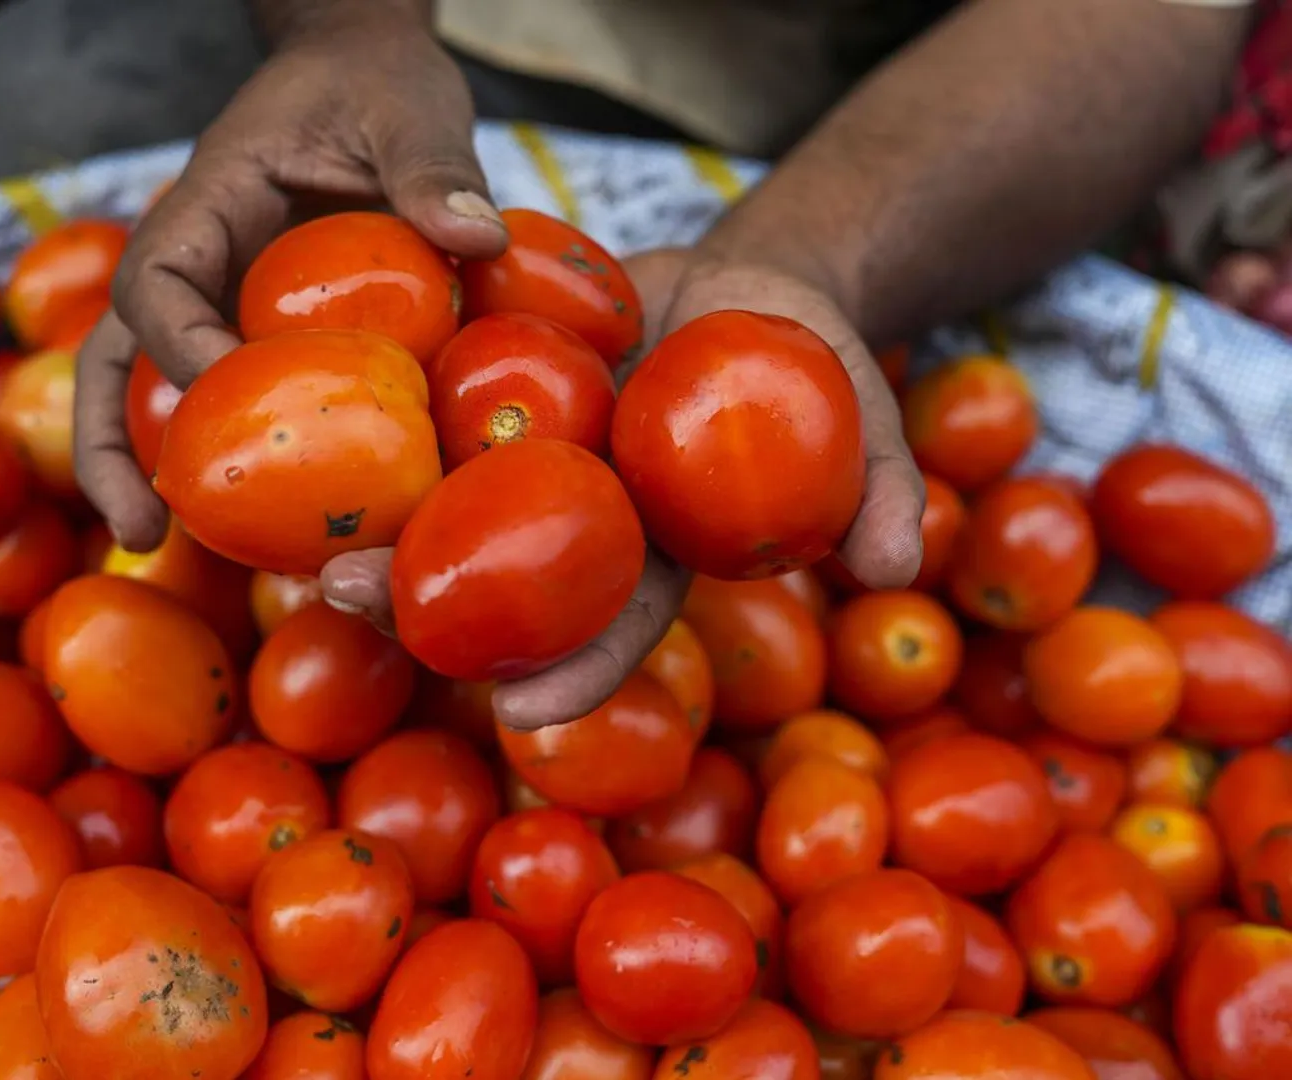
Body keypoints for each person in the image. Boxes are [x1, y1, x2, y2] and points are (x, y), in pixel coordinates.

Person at [68, 0, 1249, 729]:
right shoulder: (451, 367)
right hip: (474, 29)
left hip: (915, 73)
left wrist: (807, 252)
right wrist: (348, 31)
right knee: (45, 86)